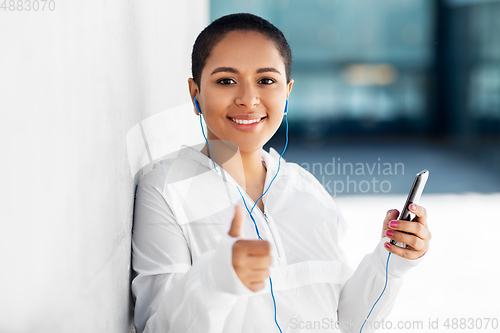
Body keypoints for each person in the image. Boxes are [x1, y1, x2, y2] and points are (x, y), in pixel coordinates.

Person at [131, 13, 431, 333]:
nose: (248, 99)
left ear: (287, 93)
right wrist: (214, 279)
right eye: (226, 80)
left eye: (266, 80)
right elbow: (156, 327)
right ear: (196, 95)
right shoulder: (167, 189)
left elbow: (345, 322)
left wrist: (390, 263)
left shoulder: (304, 188)